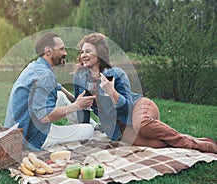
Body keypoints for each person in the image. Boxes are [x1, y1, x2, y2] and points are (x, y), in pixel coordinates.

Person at [73, 33, 217, 153]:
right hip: (119, 128)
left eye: (88, 51)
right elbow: (82, 109)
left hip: (138, 107)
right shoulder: (79, 77)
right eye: (82, 52)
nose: (83, 55)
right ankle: (193, 140)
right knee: (157, 144)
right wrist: (83, 132)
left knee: (140, 125)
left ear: (100, 54)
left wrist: (112, 92)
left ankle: (195, 145)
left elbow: (127, 106)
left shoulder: (116, 74)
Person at [4, 32, 96, 150]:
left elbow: (55, 86)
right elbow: (45, 116)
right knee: (89, 131)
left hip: (21, 127)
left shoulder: (36, 66)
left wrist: (73, 99)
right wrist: (77, 106)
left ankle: (94, 124)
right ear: (48, 51)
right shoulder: (45, 75)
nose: (65, 53)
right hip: (32, 136)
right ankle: (92, 127)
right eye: (61, 49)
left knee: (61, 96)